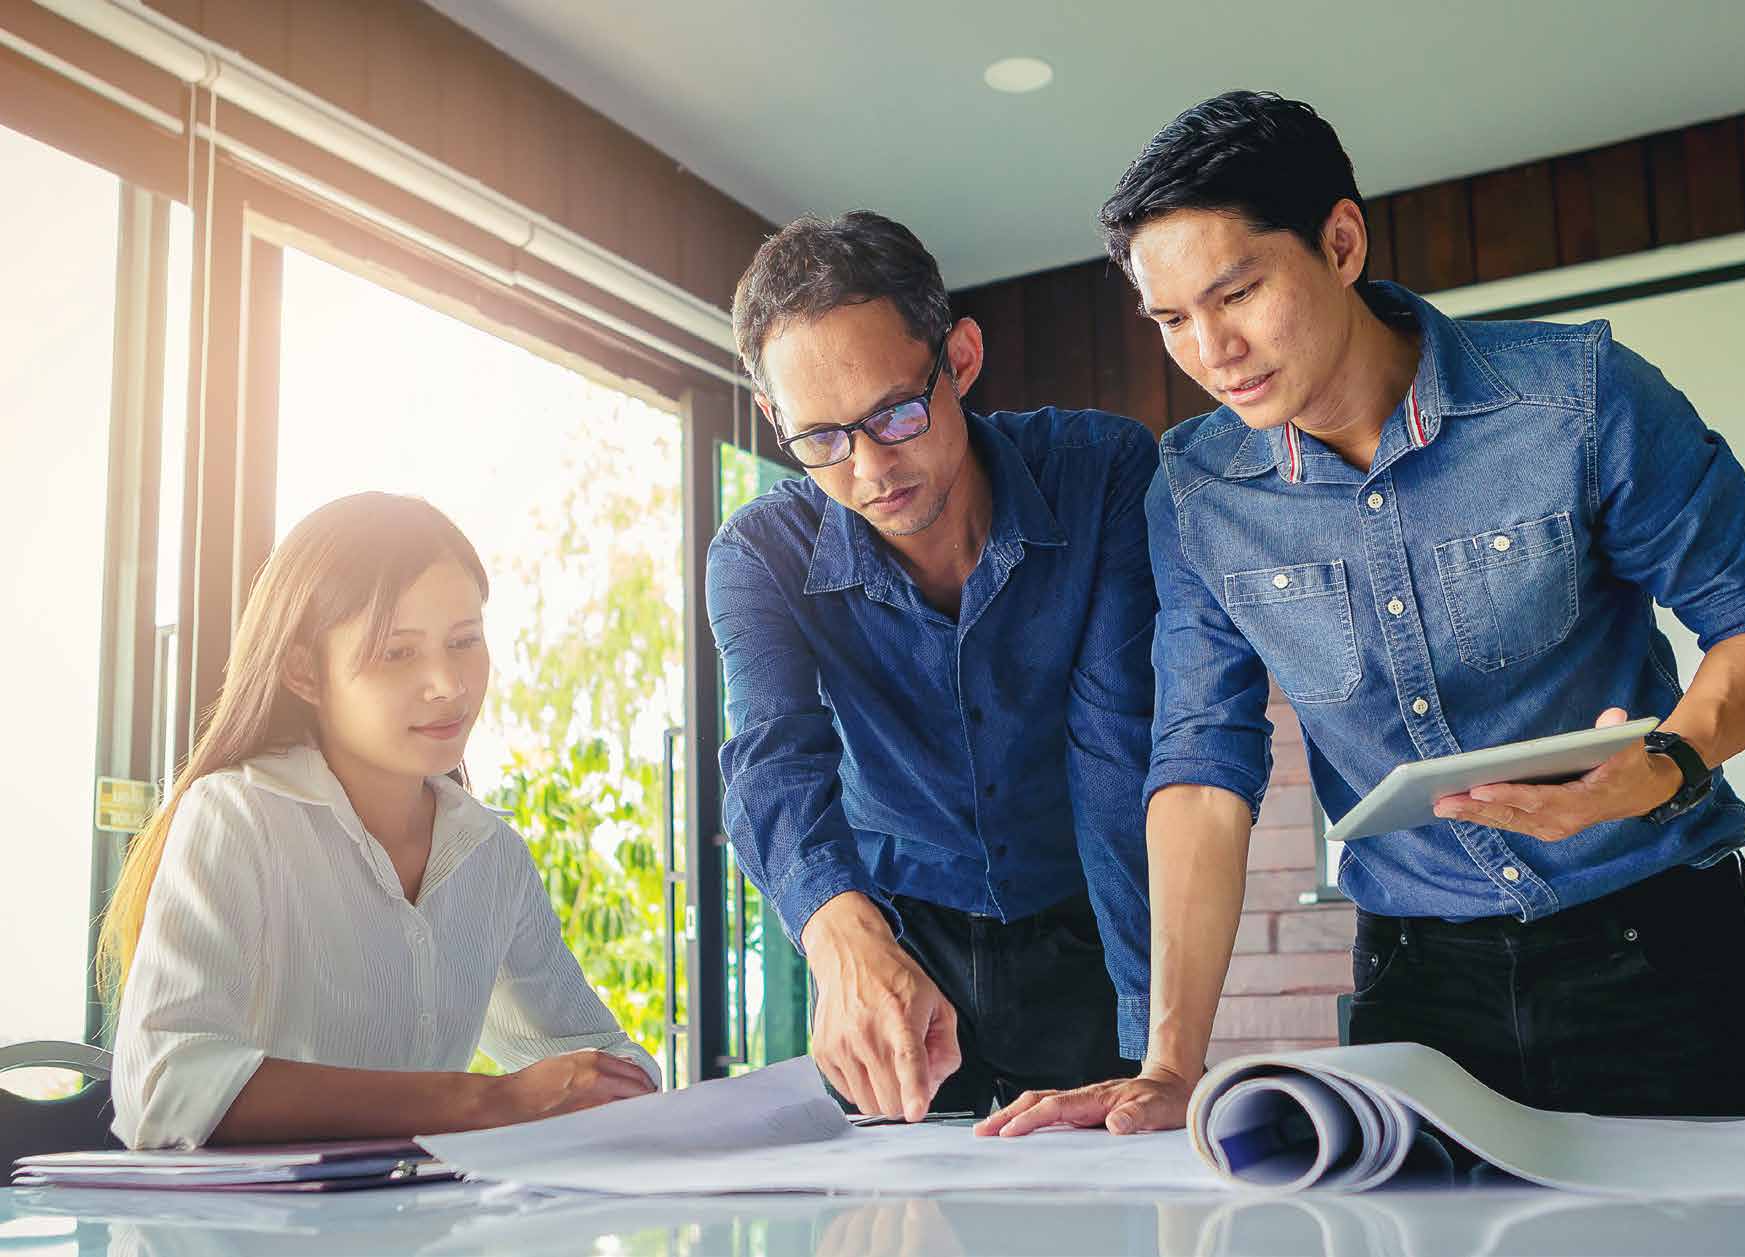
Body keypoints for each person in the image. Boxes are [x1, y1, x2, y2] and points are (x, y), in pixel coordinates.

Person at [981, 91, 1745, 1137]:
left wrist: (1665, 763)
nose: (1211, 351)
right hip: (1417, 989)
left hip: (1656, 949)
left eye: (1235, 294)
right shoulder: (1197, 491)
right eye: (1170, 321)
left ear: (1338, 242)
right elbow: (1200, 764)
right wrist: (1169, 1063)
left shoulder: (1579, 399)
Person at [709, 211, 1156, 1122]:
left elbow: (1116, 755)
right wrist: (839, 934)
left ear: (959, 356)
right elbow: (772, 762)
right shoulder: (760, 552)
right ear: (774, 420)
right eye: (821, 438)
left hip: (1085, 926)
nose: (870, 467)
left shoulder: (1102, 471)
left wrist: (1156, 1035)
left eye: (894, 413)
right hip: (892, 945)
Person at [103, 492, 659, 1149]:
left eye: (464, 641)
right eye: (398, 653)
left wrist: (627, 1084)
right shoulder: (236, 818)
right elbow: (163, 1088)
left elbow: (596, 1058)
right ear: (304, 671)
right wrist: (487, 1099)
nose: (448, 684)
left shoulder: (490, 853)